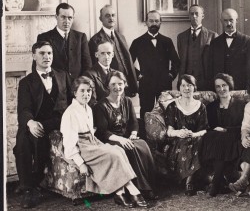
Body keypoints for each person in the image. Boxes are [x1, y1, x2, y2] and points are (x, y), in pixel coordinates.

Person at [61, 76, 148, 208]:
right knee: (114, 154)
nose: (86, 94)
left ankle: (120, 192)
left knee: (118, 150)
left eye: (89, 91)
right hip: (81, 147)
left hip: (91, 142)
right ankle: (132, 189)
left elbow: (91, 131)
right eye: (82, 91)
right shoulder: (70, 113)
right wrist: (81, 163)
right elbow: (69, 144)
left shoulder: (87, 108)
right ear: (75, 93)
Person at [14, 41, 72, 208]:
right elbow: (24, 109)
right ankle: (28, 189)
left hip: (57, 121)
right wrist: (30, 122)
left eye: (49, 53)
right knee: (24, 137)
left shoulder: (63, 75)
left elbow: (70, 103)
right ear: (34, 56)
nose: (47, 57)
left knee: (34, 136)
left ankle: (30, 183)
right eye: (42, 53)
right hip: (37, 122)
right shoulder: (26, 82)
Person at [93, 71, 158, 200]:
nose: (117, 87)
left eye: (120, 83)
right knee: (130, 149)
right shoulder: (101, 106)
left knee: (143, 145)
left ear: (125, 84)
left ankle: (151, 184)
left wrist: (133, 134)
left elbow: (134, 123)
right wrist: (121, 140)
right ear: (107, 86)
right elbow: (103, 132)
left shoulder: (127, 101)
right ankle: (142, 189)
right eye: (113, 84)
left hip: (127, 138)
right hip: (111, 140)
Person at [200, 73, 245, 197]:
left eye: (224, 85)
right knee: (215, 137)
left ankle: (216, 183)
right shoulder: (211, 107)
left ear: (229, 85)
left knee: (222, 138)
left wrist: (226, 130)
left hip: (234, 137)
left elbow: (244, 126)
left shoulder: (241, 104)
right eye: (218, 87)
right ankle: (219, 182)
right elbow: (208, 126)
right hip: (217, 140)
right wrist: (216, 129)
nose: (221, 89)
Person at [130, 10, 180, 118]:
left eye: (157, 21)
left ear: (160, 23)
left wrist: (171, 75)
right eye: (151, 21)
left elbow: (176, 62)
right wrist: (138, 75)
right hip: (146, 84)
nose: (154, 23)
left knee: (166, 112)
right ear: (146, 22)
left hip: (164, 84)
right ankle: (144, 135)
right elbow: (129, 63)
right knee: (146, 112)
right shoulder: (137, 42)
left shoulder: (167, 41)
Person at [164, 74, 209, 196]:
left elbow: (204, 130)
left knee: (198, 142)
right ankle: (192, 179)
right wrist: (179, 133)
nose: (186, 88)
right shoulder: (172, 106)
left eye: (189, 85)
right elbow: (169, 130)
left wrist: (193, 134)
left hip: (195, 138)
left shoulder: (201, 107)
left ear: (194, 87)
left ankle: (190, 180)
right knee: (185, 143)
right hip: (178, 141)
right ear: (179, 88)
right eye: (183, 85)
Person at [88, 5, 138, 97]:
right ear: (100, 19)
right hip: (111, 86)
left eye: (113, 15)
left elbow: (127, 61)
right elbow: (96, 67)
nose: (111, 18)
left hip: (125, 84)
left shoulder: (121, 37)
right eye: (107, 16)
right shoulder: (95, 40)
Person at [36, 3, 92, 80]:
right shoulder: (44, 37)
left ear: (73, 18)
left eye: (70, 18)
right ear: (56, 17)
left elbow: (87, 64)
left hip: (77, 85)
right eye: (63, 17)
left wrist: (82, 83)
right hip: (55, 86)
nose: (67, 21)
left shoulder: (81, 37)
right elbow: (38, 65)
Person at [208, 8, 250, 90]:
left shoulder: (248, 41)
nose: (228, 23)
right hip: (220, 88)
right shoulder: (214, 43)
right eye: (225, 21)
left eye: (231, 20)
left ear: (236, 20)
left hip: (241, 88)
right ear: (221, 21)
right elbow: (211, 69)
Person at [177, 4, 218, 90]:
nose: (194, 16)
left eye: (197, 14)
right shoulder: (181, 37)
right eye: (191, 14)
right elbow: (181, 60)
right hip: (187, 81)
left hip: (205, 81)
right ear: (189, 16)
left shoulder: (212, 35)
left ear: (202, 16)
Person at [83, 41, 117, 107]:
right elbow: (92, 103)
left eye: (109, 53)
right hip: (100, 114)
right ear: (96, 55)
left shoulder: (116, 73)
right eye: (102, 53)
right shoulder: (89, 75)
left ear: (112, 55)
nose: (106, 57)